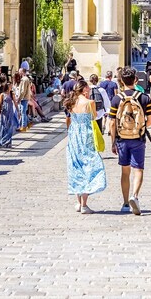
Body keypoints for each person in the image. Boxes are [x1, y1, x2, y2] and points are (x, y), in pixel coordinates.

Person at [109, 66, 151, 216]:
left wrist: (113, 142)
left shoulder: (116, 99)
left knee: (125, 171)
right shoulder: (144, 98)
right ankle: (134, 196)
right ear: (136, 80)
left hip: (122, 139)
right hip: (138, 138)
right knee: (138, 169)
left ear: (121, 81)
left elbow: (112, 123)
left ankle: (124, 203)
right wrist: (140, 127)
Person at [65, 79, 107, 214]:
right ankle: (84, 205)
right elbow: (94, 117)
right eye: (87, 87)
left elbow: (69, 119)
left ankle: (79, 203)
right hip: (86, 136)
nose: (89, 89)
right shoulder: (90, 102)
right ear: (84, 89)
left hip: (74, 135)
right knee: (89, 167)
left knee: (76, 167)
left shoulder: (71, 102)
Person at [0, 81, 17, 148]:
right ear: (7, 87)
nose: (11, 87)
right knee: (3, 127)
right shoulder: (2, 94)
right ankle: (2, 141)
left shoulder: (12, 94)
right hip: (4, 112)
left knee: (10, 127)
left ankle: (7, 141)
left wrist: (18, 112)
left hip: (10, 111)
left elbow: (15, 103)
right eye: (10, 86)